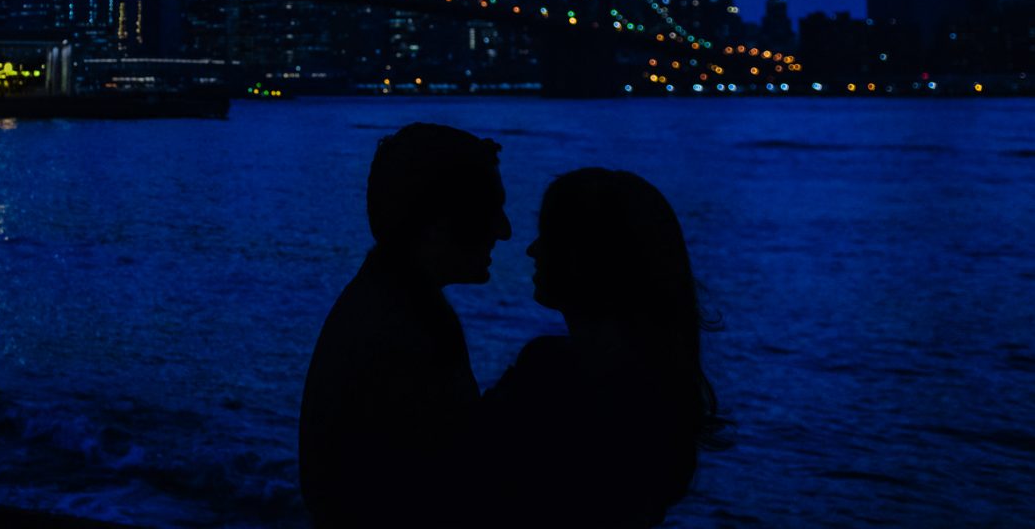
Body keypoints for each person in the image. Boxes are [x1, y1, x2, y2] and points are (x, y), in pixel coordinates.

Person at [475, 168, 730, 528]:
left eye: (548, 236)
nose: (532, 249)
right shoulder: (662, 387)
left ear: (585, 256)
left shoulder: (552, 373)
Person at [299, 123, 511, 528]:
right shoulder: (404, 338)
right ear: (437, 225)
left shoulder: (382, 307)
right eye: (489, 211)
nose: (505, 230)